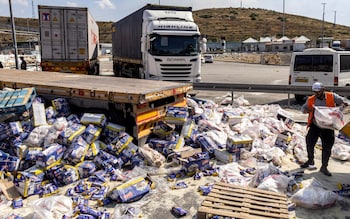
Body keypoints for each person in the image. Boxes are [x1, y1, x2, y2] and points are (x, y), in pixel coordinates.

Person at [300, 82, 348, 176]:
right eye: (315, 92)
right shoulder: (311, 99)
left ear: (323, 89)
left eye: (318, 91)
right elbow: (303, 108)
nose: (316, 94)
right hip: (315, 125)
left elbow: (343, 101)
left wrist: (344, 104)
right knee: (309, 142)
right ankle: (310, 160)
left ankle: (324, 167)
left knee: (327, 146)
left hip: (328, 126)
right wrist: (306, 110)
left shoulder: (331, 96)